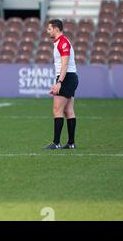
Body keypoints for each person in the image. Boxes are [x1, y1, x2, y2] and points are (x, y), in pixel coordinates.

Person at [43, 19, 79, 150]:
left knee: (57, 110)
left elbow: (64, 64)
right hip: (69, 77)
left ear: (56, 29)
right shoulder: (59, 42)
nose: (48, 31)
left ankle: (56, 142)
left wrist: (59, 82)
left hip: (67, 77)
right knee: (68, 110)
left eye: (49, 29)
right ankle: (71, 143)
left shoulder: (63, 42)